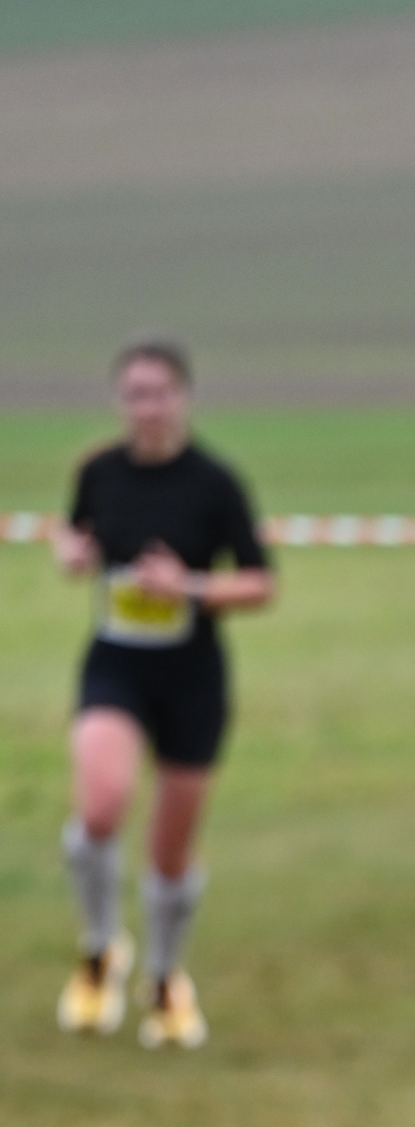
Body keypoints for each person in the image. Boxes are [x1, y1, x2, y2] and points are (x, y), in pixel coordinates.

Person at [51, 339, 274, 1048]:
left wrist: (191, 587)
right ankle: (99, 951)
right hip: (116, 664)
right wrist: (71, 553)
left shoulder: (214, 483)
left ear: (183, 398)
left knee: (170, 853)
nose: (147, 408)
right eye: (135, 394)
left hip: (192, 676)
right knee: (100, 804)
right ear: (120, 401)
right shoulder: (98, 471)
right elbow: (75, 536)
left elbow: (260, 582)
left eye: (159, 393)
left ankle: (164, 979)